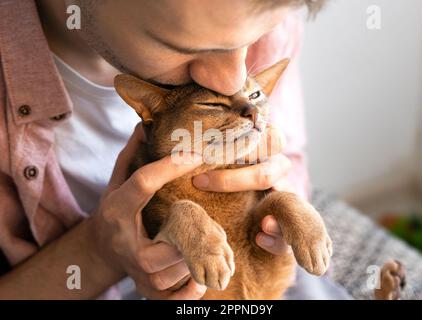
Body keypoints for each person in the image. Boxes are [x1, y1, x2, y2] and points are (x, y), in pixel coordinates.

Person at [0, 0, 348, 299]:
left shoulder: (265, 15)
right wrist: (99, 252)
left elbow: (291, 163)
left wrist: (282, 205)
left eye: (254, 38)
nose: (233, 79)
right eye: (185, 46)